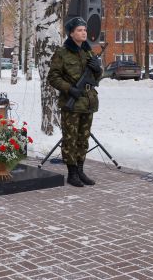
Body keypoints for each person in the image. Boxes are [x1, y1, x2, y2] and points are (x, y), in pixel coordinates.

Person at [48, 17, 102, 187]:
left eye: (85, 30)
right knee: (70, 139)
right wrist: (69, 89)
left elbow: (96, 78)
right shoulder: (61, 53)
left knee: (83, 139)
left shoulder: (88, 53)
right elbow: (53, 77)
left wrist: (97, 69)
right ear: (71, 33)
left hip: (88, 102)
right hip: (71, 102)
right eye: (79, 30)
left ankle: (80, 170)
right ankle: (72, 173)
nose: (84, 32)